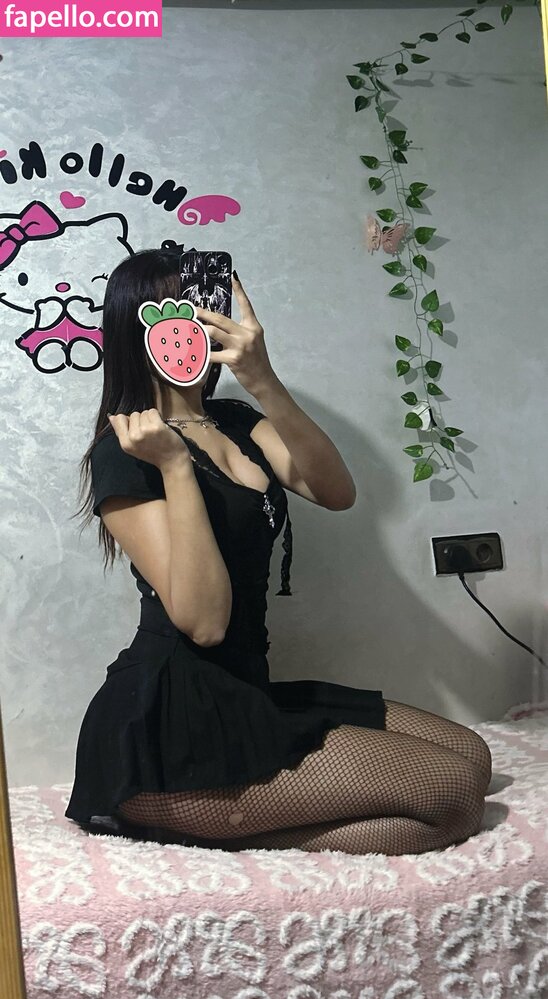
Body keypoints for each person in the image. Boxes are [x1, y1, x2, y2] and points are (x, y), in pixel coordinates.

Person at [65, 247, 492, 856]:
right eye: (183, 307)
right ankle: (185, 822)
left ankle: (247, 832)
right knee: (453, 793)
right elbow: (204, 624)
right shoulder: (126, 450)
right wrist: (177, 467)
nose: (202, 319)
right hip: (171, 725)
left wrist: (262, 379)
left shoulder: (236, 420)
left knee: (473, 756)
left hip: (247, 691)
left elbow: (336, 492)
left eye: (209, 303)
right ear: (142, 326)